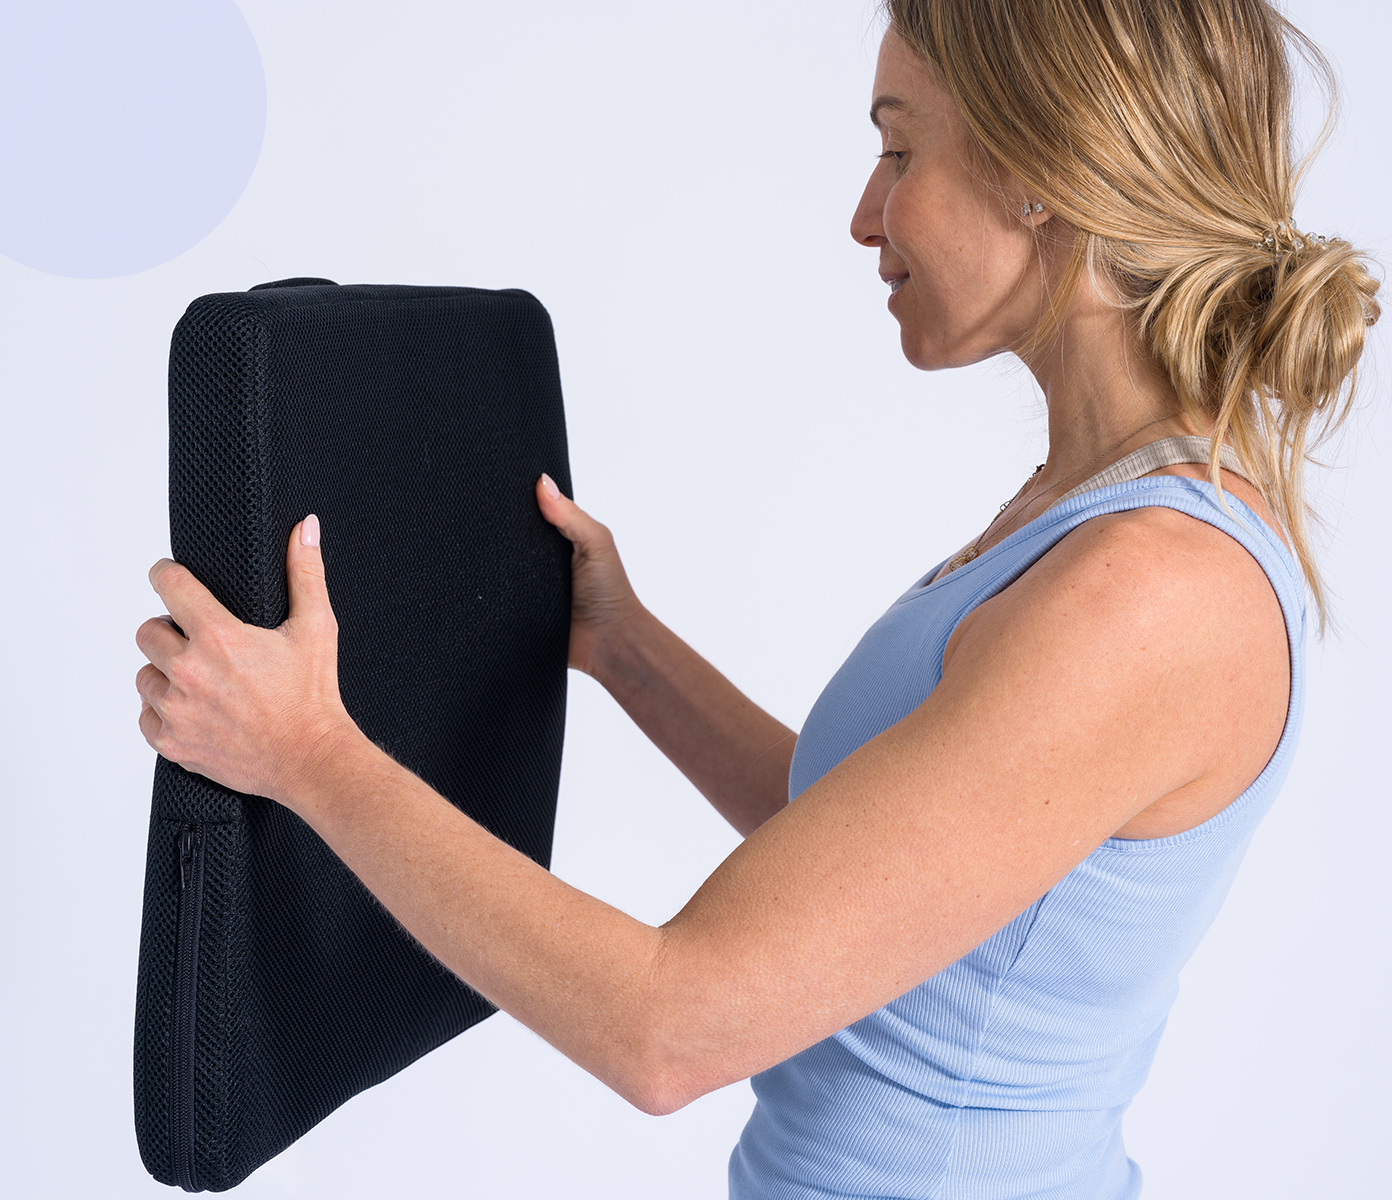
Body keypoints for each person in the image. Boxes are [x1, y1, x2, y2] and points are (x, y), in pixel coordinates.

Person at [134, 1, 1380, 1196]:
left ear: (1042, 169)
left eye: (900, 150)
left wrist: (309, 755)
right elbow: (868, 872)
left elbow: (666, 1029)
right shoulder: (1089, 510)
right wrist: (625, 649)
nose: (865, 214)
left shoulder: (1151, 592)